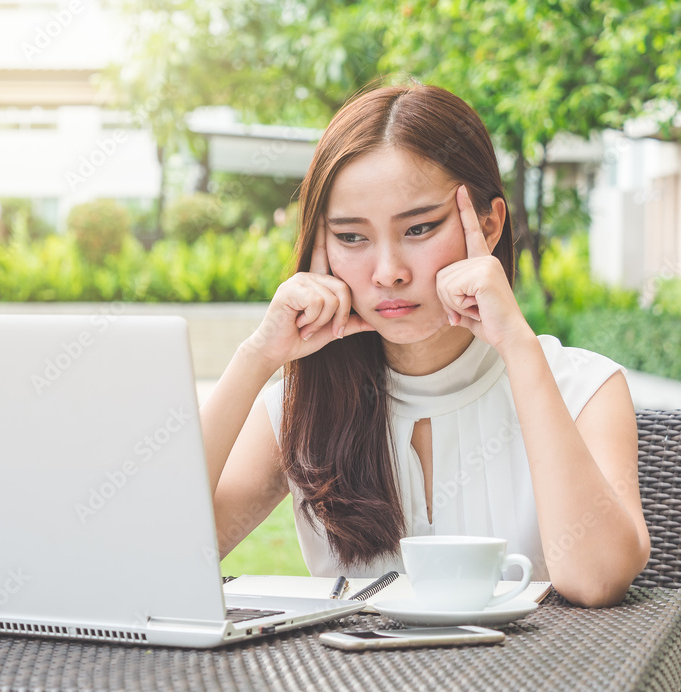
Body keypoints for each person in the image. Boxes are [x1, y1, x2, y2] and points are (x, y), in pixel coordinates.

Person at [201, 83, 650, 608]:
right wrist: (256, 356)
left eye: (418, 228)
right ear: (320, 245)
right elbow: (164, 556)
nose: (388, 272)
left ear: (488, 223)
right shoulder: (300, 407)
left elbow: (596, 579)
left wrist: (518, 347)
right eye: (351, 237)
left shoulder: (588, 389)